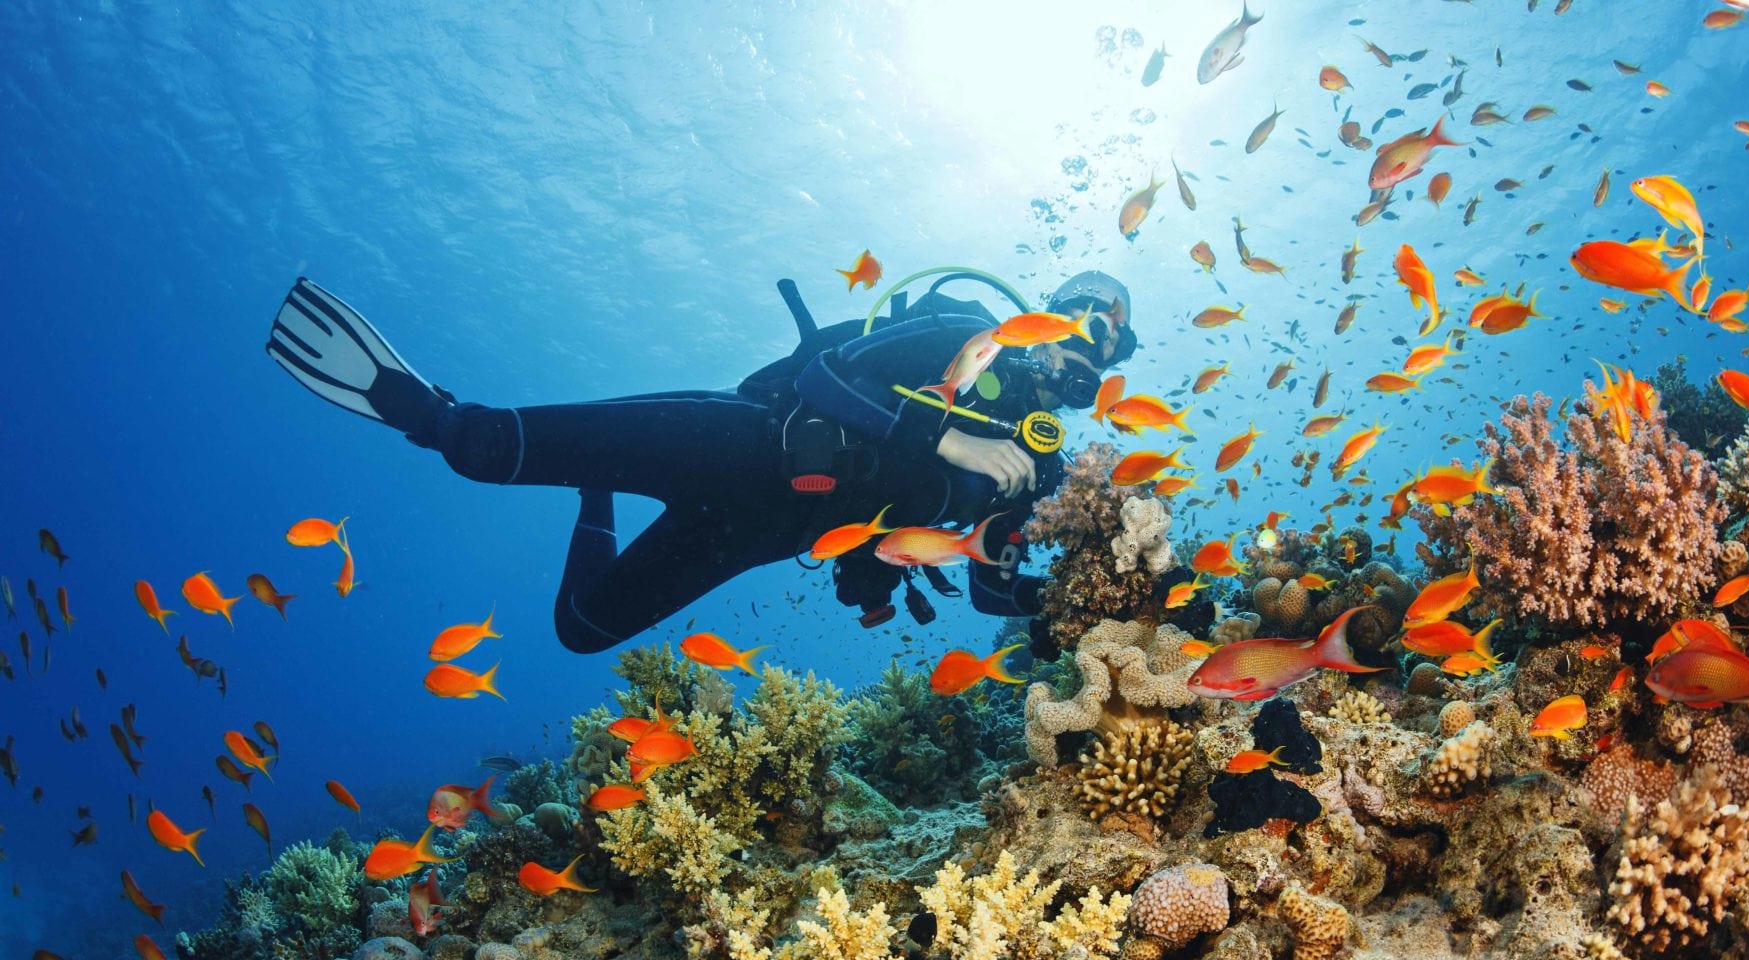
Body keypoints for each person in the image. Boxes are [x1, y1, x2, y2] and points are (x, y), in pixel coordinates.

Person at [264, 269, 1138, 654]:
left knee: (581, 631)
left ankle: (595, 495)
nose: (1095, 353)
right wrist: (945, 435)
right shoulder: (968, 337)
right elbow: (821, 375)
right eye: (1090, 324)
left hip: (766, 531)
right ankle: (406, 398)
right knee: (481, 445)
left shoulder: (1045, 468)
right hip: (743, 439)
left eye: (1116, 344)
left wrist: (1069, 612)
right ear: (1053, 315)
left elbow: (989, 583)